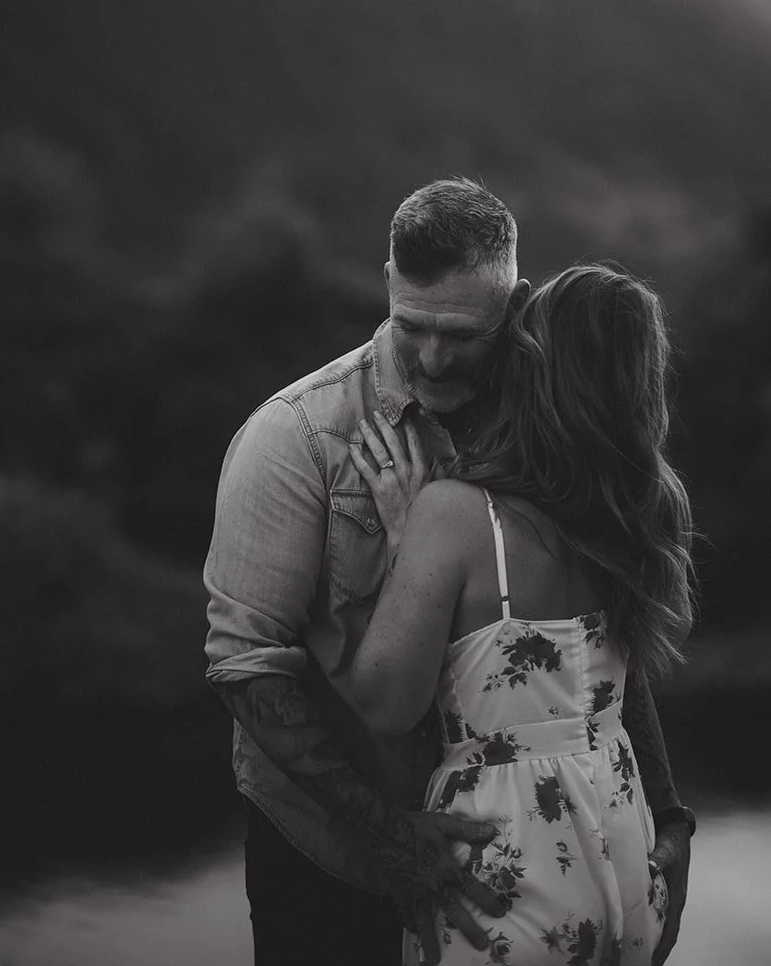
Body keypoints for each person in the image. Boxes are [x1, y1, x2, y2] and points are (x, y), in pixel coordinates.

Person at [204, 180, 693, 963]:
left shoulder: (548, 423)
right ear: (387, 285)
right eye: (412, 326)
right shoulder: (293, 438)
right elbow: (246, 665)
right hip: (330, 857)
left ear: (516, 305)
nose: (433, 357)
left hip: (522, 873)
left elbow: (597, 647)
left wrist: (668, 814)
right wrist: (387, 833)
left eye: (462, 335)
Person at [347, 260, 695, 964]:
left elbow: (385, 704)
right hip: (626, 860)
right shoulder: (645, 511)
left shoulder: (453, 516)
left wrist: (399, 545)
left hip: (510, 878)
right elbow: (650, 659)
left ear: (532, 368)